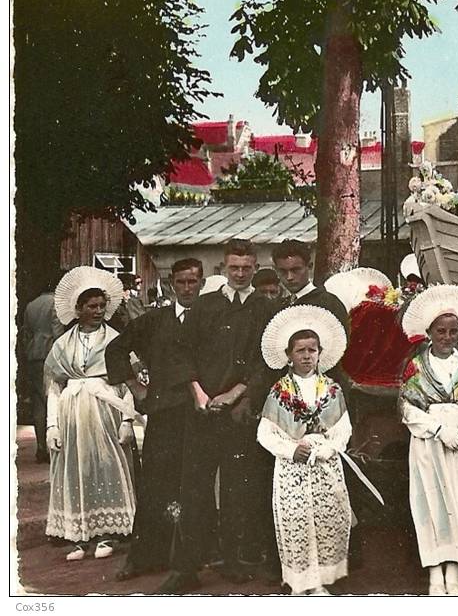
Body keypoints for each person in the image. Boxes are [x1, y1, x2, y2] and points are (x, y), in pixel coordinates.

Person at [158, 239, 274, 593]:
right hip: (202, 411)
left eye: (246, 268)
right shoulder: (205, 306)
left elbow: (266, 360)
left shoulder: (264, 309)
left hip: (238, 412)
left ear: (255, 268)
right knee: (194, 489)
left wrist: (237, 394)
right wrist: (198, 393)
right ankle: (185, 567)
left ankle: (234, 558)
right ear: (223, 268)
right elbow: (181, 353)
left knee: (239, 488)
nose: (240, 274)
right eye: (234, 268)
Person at [105, 258, 203, 580]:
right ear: (172, 284)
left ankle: (192, 558)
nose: (188, 288)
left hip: (201, 414)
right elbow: (116, 350)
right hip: (163, 413)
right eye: (182, 282)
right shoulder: (153, 320)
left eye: (193, 282)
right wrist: (136, 387)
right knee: (154, 485)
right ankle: (144, 557)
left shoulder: (210, 317)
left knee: (194, 486)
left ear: (201, 283)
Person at [398, 285, 458, 595]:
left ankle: (454, 573)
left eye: (453, 331)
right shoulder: (416, 365)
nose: (447, 336)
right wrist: (438, 430)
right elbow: (407, 408)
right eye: (441, 331)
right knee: (431, 503)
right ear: (428, 331)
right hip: (429, 440)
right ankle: (434, 573)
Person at [256, 305, 357, 595]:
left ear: (319, 352)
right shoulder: (280, 391)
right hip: (293, 467)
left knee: (326, 519)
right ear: (289, 355)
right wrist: (290, 450)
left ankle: (322, 581)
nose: (306, 357)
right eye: (300, 351)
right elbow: (265, 432)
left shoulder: (331, 389)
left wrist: (326, 448)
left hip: (324, 463)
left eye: (312, 350)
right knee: (296, 521)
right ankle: (301, 582)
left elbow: (343, 429)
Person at [44, 267, 137, 561]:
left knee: (106, 465)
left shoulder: (116, 339)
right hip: (72, 412)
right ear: (79, 308)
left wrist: (127, 420)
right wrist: (51, 425)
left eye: (101, 306)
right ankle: (79, 534)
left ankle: (106, 533)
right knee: (76, 468)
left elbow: (128, 382)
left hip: (105, 409)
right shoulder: (62, 344)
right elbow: (54, 386)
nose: (98, 311)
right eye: (91, 306)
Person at [21, 278, 65, 463]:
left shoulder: (31, 305)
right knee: (53, 397)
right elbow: (58, 332)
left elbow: (25, 333)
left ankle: (41, 447)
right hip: (49, 353)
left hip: (33, 354)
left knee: (38, 401)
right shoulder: (55, 303)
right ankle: (53, 444)